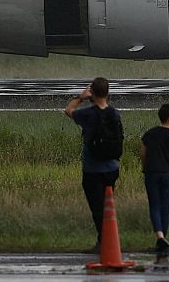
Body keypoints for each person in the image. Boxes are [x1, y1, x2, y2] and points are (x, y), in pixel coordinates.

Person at [64, 77, 124, 249]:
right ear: (107, 92)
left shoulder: (87, 114)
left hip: (93, 168)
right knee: (107, 204)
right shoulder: (115, 113)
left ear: (92, 93)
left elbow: (69, 110)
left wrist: (80, 97)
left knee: (97, 208)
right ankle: (107, 237)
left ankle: (103, 240)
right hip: (112, 166)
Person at [139, 102, 169, 254]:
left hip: (151, 173)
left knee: (154, 204)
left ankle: (159, 236)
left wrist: (145, 167)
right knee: (165, 206)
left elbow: (143, 153)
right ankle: (163, 237)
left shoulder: (149, 134)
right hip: (167, 174)